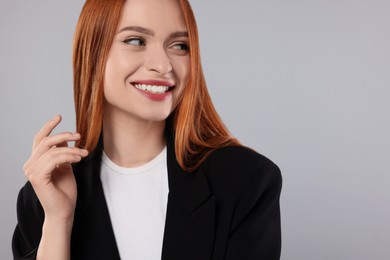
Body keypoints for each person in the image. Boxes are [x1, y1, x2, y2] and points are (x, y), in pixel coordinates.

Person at [12, 0, 282, 259]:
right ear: (92, 51)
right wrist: (59, 220)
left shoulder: (246, 181)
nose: (163, 65)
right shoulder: (45, 195)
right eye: (136, 41)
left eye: (179, 45)